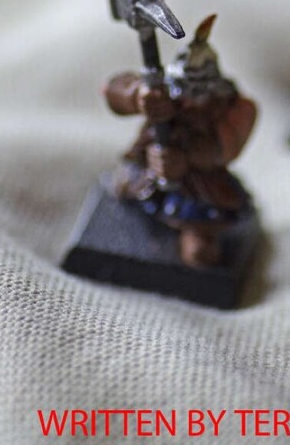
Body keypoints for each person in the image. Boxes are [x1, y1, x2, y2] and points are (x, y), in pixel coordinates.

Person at [104, 14, 257, 267]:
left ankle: (197, 235)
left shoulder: (228, 106)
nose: (188, 99)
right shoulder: (165, 95)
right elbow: (112, 90)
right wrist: (138, 96)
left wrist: (185, 158)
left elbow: (226, 147)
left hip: (197, 177)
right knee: (130, 183)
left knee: (208, 210)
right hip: (150, 167)